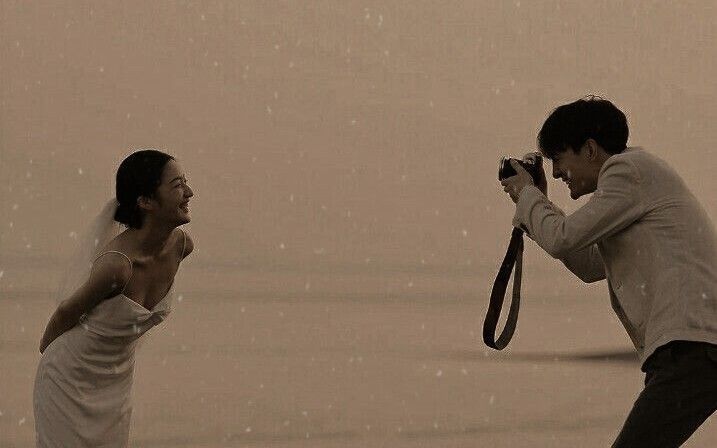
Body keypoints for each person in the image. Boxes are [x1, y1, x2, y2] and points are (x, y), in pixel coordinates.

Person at [500, 96, 717, 447]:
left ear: (589, 149)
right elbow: (587, 264)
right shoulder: (633, 189)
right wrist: (536, 200)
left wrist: (528, 197)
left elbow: (562, 239)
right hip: (695, 349)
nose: (555, 172)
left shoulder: (626, 171)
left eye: (559, 158)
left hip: (691, 349)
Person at [33, 149, 195, 447]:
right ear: (145, 201)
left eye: (185, 182)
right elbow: (64, 315)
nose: (189, 193)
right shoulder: (116, 266)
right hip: (68, 378)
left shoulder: (181, 247)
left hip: (115, 383)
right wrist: (53, 365)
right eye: (177, 186)